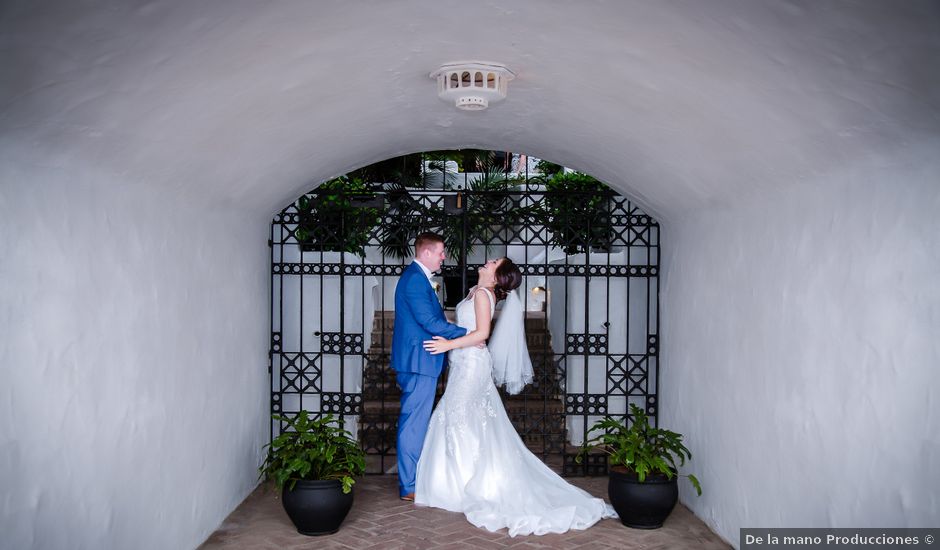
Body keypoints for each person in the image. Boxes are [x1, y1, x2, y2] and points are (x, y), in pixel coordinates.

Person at [415, 258, 616, 536]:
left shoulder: (484, 295)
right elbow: (467, 326)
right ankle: (455, 481)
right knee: (458, 417)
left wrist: (448, 344)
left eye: (494, 262)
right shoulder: (476, 290)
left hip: (472, 364)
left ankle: (466, 484)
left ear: (497, 276)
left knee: (457, 416)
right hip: (463, 362)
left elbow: (482, 333)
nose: (488, 261)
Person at [391, 232, 468, 502]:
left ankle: (413, 478)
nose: (444, 256)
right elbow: (430, 323)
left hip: (422, 360)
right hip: (418, 361)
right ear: (426, 253)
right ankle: (408, 485)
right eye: (441, 252)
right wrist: (470, 333)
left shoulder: (418, 278)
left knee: (416, 421)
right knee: (413, 423)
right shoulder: (414, 280)